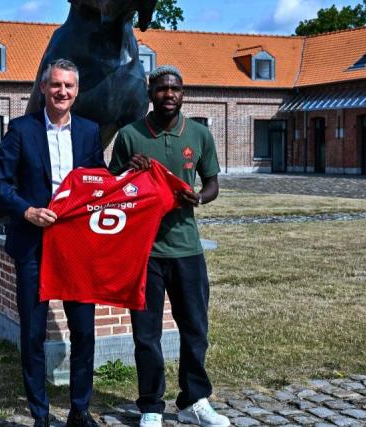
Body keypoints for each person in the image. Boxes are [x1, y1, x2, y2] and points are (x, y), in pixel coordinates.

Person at [108, 65, 229, 427]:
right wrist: (129, 171)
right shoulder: (130, 135)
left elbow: (212, 183)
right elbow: (114, 189)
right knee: (146, 334)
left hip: (187, 249)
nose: (169, 95)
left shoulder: (199, 134)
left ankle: (194, 400)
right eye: (162, 89)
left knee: (195, 329)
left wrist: (200, 198)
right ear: (150, 94)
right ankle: (150, 406)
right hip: (144, 253)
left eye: (175, 89)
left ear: (183, 93)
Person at [0, 58, 104, 427]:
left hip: (76, 245)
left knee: (84, 330)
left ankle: (79, 410)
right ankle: (40, 414)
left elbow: (98, 181)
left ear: (77, 91)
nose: (62, 92)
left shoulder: (89, 131)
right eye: (56, 85)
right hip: (34, 244)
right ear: (43, 88)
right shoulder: (21, 130)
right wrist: (27, 211)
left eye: (69, 86)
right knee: (34, 333)